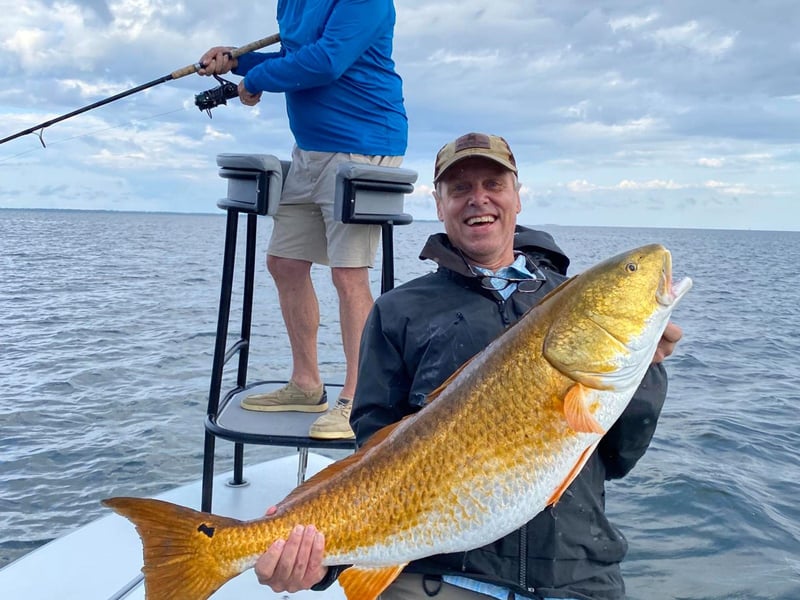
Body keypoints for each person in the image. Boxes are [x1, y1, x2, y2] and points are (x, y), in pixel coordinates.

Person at [250, 132, 684, 600]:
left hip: (574, 579)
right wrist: (318, 563)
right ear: (439, 204)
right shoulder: (399, 311)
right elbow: (375, 461)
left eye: (493, 183)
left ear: (517, 195)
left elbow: (619, 457)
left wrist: (647, 367)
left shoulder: (570, 302)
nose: (478, 199)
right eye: (459, 189)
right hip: (434, 579)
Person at [198, 0, 407, 440]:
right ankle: (307, 385)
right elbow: (296, 56)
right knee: (285, 263)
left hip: (364, 143)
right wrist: (241, 61)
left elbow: (328, 60)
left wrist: (255, 79)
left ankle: (356, 400)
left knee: (349, 275)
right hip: (309, 149)